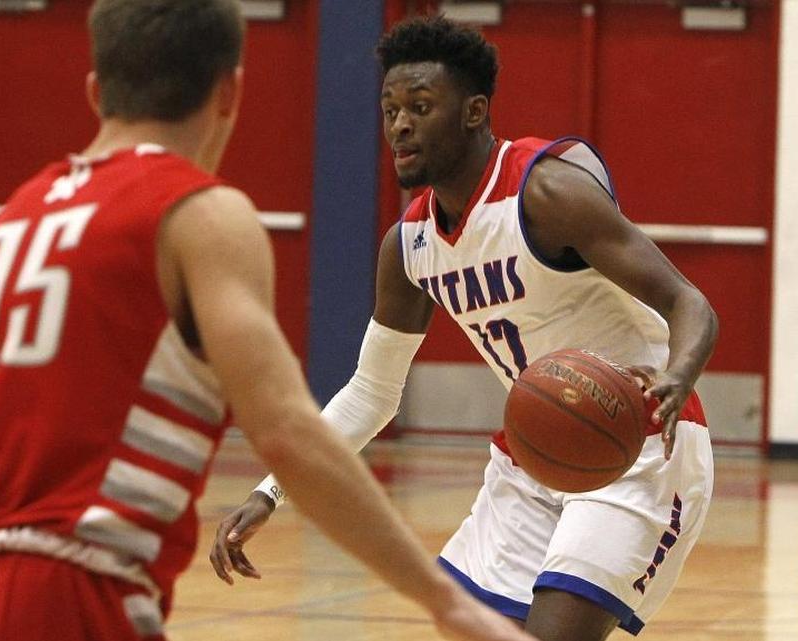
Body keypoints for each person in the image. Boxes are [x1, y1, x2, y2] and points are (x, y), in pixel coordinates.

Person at [0, 4, 538, 641]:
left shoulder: (8, 224)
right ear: (229, 92)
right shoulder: (198, 214)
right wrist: (445, 603)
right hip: (74, 592)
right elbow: (289, 433)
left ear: (94, 91)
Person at [211, 15, 719, 641]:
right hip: (534, 453)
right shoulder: (409, 246)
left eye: (421, 106)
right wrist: (270, 492)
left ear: (474, 111)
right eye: (391, 107)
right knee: (467, 628)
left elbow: (689, 302)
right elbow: (372, 394)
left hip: (639, 444)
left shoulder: (548, 194)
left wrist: (675, 376)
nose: (400, 123)